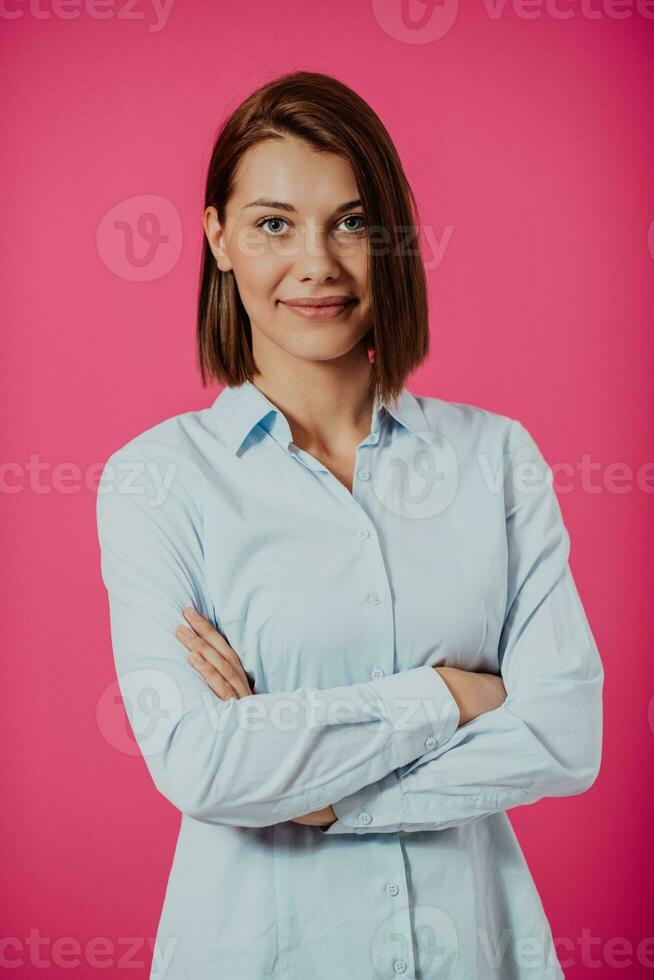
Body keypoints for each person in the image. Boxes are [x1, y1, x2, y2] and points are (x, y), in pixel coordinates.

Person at [96, 70, 604, 980]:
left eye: (353, 221)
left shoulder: (493, 459)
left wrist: (317, 789)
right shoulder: (158, 481)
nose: (318, 264)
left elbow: (565, 733)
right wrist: (449, 697)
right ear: (218, 238)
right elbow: (201, 764)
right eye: (273, 223)